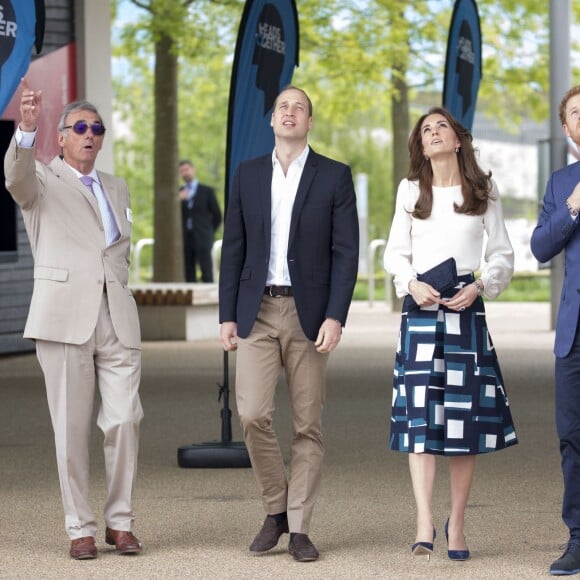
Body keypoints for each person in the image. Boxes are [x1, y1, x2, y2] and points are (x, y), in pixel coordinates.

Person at [4, 79, 143, 560]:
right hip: (64, 318)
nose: (89, 134)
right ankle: (79, 527)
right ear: (61, 137)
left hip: (117, 318)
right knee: (70, 429)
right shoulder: (40, 179)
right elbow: (15, 177)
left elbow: (117, 252)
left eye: (96, 128)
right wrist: (24, 129)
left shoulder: (117, 186)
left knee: (126, 419)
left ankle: (119, 522)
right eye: (79, 127)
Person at [219, 86, 359, 562]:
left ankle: (298, 527)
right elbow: (232, 247)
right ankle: (276, 507)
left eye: (299, 107)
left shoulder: (335, 176)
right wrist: (226, 315)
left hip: (309, 311)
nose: (290, 112)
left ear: (309, 122)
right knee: (253, 414)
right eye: (283, 106)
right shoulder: (247, 174)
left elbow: (346, 253)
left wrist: (336, 315)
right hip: (255, 310)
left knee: (307, 424)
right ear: (272, 120)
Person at [383, 106, 518, 562]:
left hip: (465, 312)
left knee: (463, 425)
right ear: (421, 145)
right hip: (420, 311)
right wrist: (410, 283)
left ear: (458, 140)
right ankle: (424, 521)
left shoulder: (484, 190)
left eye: (442, 127)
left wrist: (481, 285)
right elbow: (394, 254)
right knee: (420, 420)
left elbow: (502, 255)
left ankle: (456, 524)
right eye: (426, 129)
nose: (434, 133)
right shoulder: (408, 191)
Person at [531, 85, 580, 576]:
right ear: (567, 130)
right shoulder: (561, 182)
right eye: (575, 114)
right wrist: (572, 207)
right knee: (572, 435)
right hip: (575, 332)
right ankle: (578, 536)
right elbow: (540, 247)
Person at [178, 159, 222, 283]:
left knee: (206, 269)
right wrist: (178, 200)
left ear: (193, 169)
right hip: (185, 237)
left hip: (203, 236)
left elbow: (217, 215)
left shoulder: (206, 191)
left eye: (186, 169)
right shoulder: (178, 193)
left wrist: (209, 231)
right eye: (181, 171)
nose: (185, 173)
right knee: (188, 270)